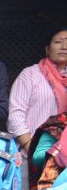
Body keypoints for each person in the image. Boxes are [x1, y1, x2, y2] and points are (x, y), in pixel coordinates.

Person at [8, 26, 67, 163]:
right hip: (29, 154)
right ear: (47, 49)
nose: (64, 47)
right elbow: (15, 115)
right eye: (58, 42)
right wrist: (32, 149)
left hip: (63, 157)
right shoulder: (30, 74)